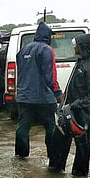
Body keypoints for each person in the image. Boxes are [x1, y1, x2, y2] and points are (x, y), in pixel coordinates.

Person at [49, 33, 90, 176]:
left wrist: (75, 105)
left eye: (77, 45)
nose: (74, 47)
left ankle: (79, 175)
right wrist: (65, 104)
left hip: (83, 115)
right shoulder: (81, 61)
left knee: (82, 151)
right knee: (58, 142)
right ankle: (55, 171)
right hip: (69, 113)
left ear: (83, 47)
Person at [15, 22, 64, 160]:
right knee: (51, 129)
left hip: (24, 98)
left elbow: (22, 74)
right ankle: (53, 159)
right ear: (47, 36)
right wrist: (58, 92)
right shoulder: (47, 50)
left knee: (23, 128)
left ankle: (21, 159)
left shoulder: (22, 50)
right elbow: (50, 75)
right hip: (45, 99)